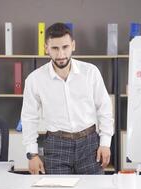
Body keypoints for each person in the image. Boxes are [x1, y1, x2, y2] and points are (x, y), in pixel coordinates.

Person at [21, 22, 114, 174]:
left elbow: (104, 108)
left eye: (65, 47)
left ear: (73, 45)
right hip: (56, 146)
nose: (61, 54)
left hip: (90, 145)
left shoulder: (91, 72)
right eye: (55, 48)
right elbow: (29, 117)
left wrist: (105, 143)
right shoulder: (34, 79)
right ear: (46, 48)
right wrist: (32, 154)